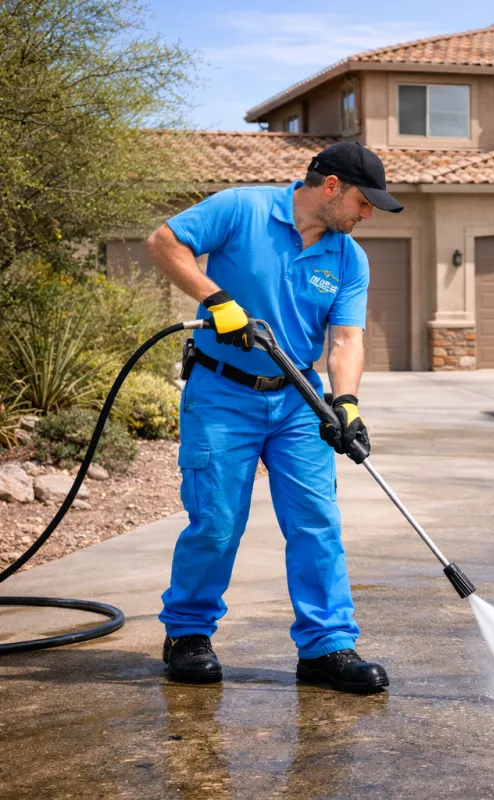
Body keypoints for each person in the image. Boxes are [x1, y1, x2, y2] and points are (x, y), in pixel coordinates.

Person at [145, 141, 403, 694]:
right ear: (331, 186)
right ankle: (187, 634)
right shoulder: (242, 209)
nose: (367, 214)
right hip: (222, 393)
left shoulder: (348, 258)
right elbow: (164, 242)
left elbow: (347, 339)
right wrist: (216, 300)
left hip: (297, 400)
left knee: (316, 521)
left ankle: (327, 648)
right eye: (363, 202)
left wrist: (346, 404)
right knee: (216, 521)